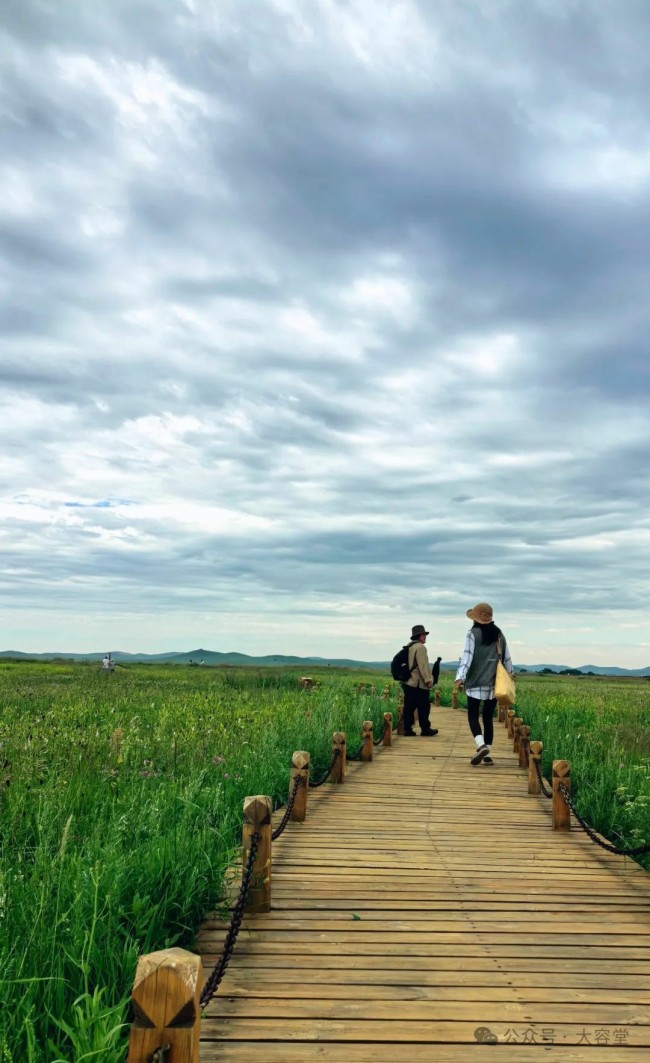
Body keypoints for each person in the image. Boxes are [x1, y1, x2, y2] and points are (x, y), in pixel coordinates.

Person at [454, 603, 513, 765]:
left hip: (475, 682)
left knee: (473, 716)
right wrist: (510, 673)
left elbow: (467, 657)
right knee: (488, 717)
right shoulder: (499, 634)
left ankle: (481, 745)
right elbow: (507, 657)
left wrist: (460, 677)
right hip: (494, 683)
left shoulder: (472, 634)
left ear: (475, 618)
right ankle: (487, 755)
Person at [402, 624, 439, 737]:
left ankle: (407, 729)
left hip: (408, 682)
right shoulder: (420, 647)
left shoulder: (410, 646)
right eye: (423, 634)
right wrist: (428, 680)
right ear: (419, 636)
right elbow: (423, 666)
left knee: (408, 707)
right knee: (424, 707)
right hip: (418, 683)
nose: (425, 637)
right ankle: (425, 729)